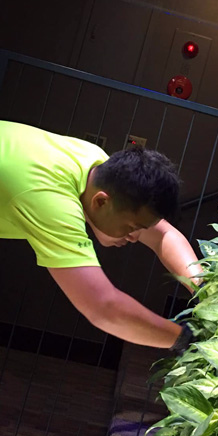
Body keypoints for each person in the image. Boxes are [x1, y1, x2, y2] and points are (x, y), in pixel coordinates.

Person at [0, 119, 203, 354]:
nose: (135, 237)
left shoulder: (94, 163)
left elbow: (162, 235)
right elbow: (103, 307)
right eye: (130, 227)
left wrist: (203, 287)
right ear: (101, 201)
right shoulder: (50, 200)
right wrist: (187, 339)